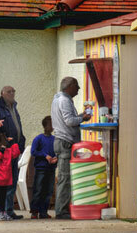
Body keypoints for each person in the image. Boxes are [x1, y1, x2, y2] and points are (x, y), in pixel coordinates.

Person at [50, 76, 91, 220]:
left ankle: (63, 208)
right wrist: (82, 119)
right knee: (65, 177)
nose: (79, 89)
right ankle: (61, 211)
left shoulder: (58, 99)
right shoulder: (65, 100)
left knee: (64, 177)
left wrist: (80, 116)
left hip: (62, 141)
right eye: (77, 86)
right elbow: (69, 121)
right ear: (70, 86)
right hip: (65, 142)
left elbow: (66, 119)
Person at [0, 85, 25, 218]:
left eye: (13, 91)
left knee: (12, 181)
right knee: (2, 183)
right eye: (9, 92)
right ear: (2, 93)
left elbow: (18, 128)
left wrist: (21, 144)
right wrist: (3, 141)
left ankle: (8, 210)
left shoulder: (13, 108)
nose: (12, 93)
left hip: (13, 150)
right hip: (4, 152)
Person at [0, 131, 21, 221]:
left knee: (2, 197)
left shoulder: (8, 151)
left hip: (5, 179)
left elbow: (15, 153)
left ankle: (2, 212)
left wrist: (13, 144)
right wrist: (1, 150)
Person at [29, 115, 58, 219]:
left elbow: (57, 151)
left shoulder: (55, 139)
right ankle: (34, 211)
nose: (52, 127)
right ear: (45, 126)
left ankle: (43, 211)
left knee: (49, 190)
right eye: (50, 125)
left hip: (51, 168)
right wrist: (45, 156)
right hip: (41, 168)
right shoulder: (39, 139)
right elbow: (33, 151)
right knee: (38, 189)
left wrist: (56, 158)